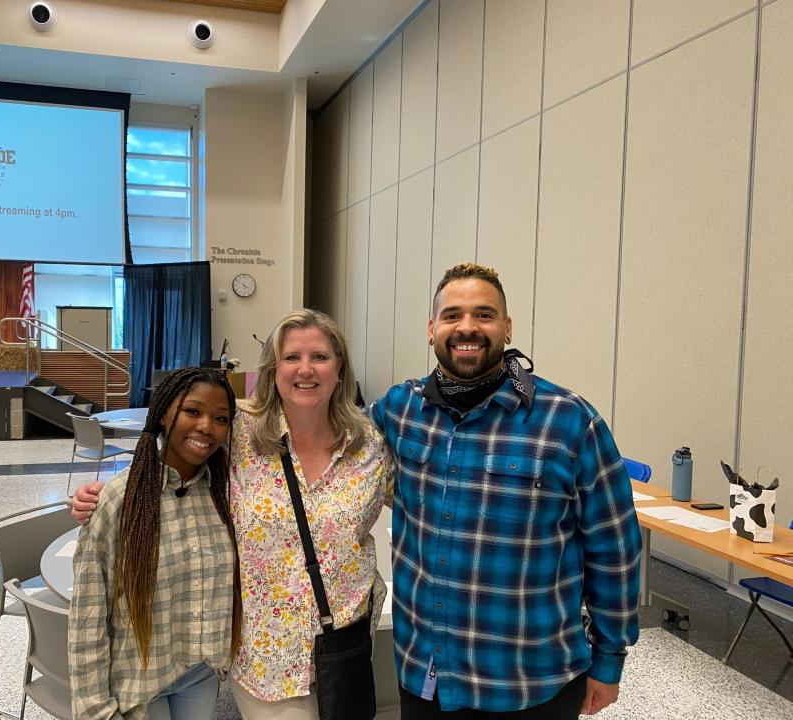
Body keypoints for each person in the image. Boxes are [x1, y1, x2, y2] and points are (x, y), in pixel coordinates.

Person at [74, 309, 394, 719]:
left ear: (340, 367)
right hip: (266, 661)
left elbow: (416, 502)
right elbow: (177, 456)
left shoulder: (368, 444)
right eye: (291, 357)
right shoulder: (239, 431)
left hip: (344, 646)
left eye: (320, 357)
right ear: (272, 369)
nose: (305, 369)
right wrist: (110, 491)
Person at [369, 262, 641, 719]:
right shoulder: (399, 410)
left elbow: (615, 550)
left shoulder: (568, 421)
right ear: (432, 329)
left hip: (530, 684)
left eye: (484, 314)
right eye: (452, 315)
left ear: (507, 327)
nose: (468, 327)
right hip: (426, 675)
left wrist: (609, 659)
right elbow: (329, 441)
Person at [69, 367, 239, 720]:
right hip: (138, 683)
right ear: (163, 413)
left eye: (220, 418)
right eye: (192, 411)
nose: (206, 426)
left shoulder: (226, 496)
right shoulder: (117, 501)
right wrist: (95, 710)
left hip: (201, 671)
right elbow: (88, 614)